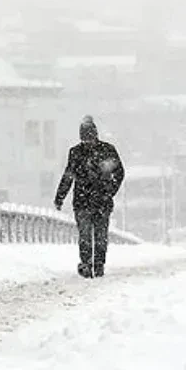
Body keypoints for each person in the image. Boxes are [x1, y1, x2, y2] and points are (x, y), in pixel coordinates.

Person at [54, 116, 125, 278]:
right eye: (85, 138)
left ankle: (96, 264)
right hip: (94, 201)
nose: (87, 141)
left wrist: (108, 192)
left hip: (89, 199)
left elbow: (69, 176)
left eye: (89, 137)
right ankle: (89, 264)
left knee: (95, 235)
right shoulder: (102, 151)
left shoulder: (81, 152)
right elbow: (69, 176)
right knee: (92, 234)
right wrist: (60, 196)